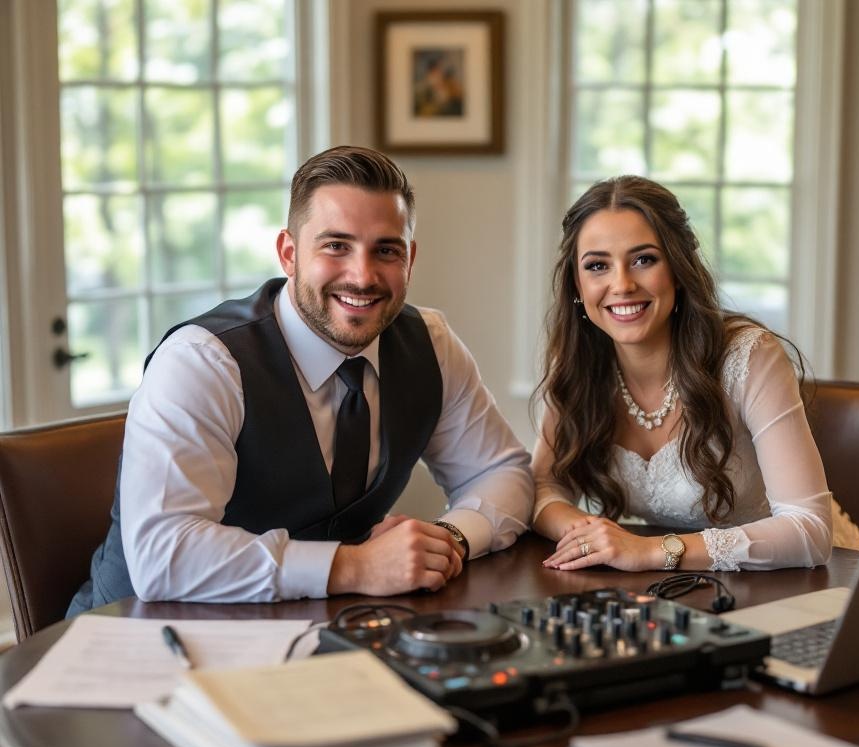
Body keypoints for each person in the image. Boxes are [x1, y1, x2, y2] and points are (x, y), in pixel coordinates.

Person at [69, 146, 533, 615]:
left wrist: (450, 540)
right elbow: (163, 556)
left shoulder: (430, 343)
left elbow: (503, 472)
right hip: (142, 638)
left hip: (319, 633)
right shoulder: (202, 361)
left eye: (386, 251)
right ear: (288, 254)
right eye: (336, 246)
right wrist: (355, 567)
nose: (362, 275)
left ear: (410, 259)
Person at [533, 176, 859, 574]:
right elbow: (543, 489)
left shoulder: (749, 357)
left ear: (678, 268)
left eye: (644, 259)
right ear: (577, 284)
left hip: (803, 583)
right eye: (598, 265)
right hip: (675, 594)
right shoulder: (576, 365)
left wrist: (650, 550)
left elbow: (808, 530)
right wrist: (589, 533)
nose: (621, 284)